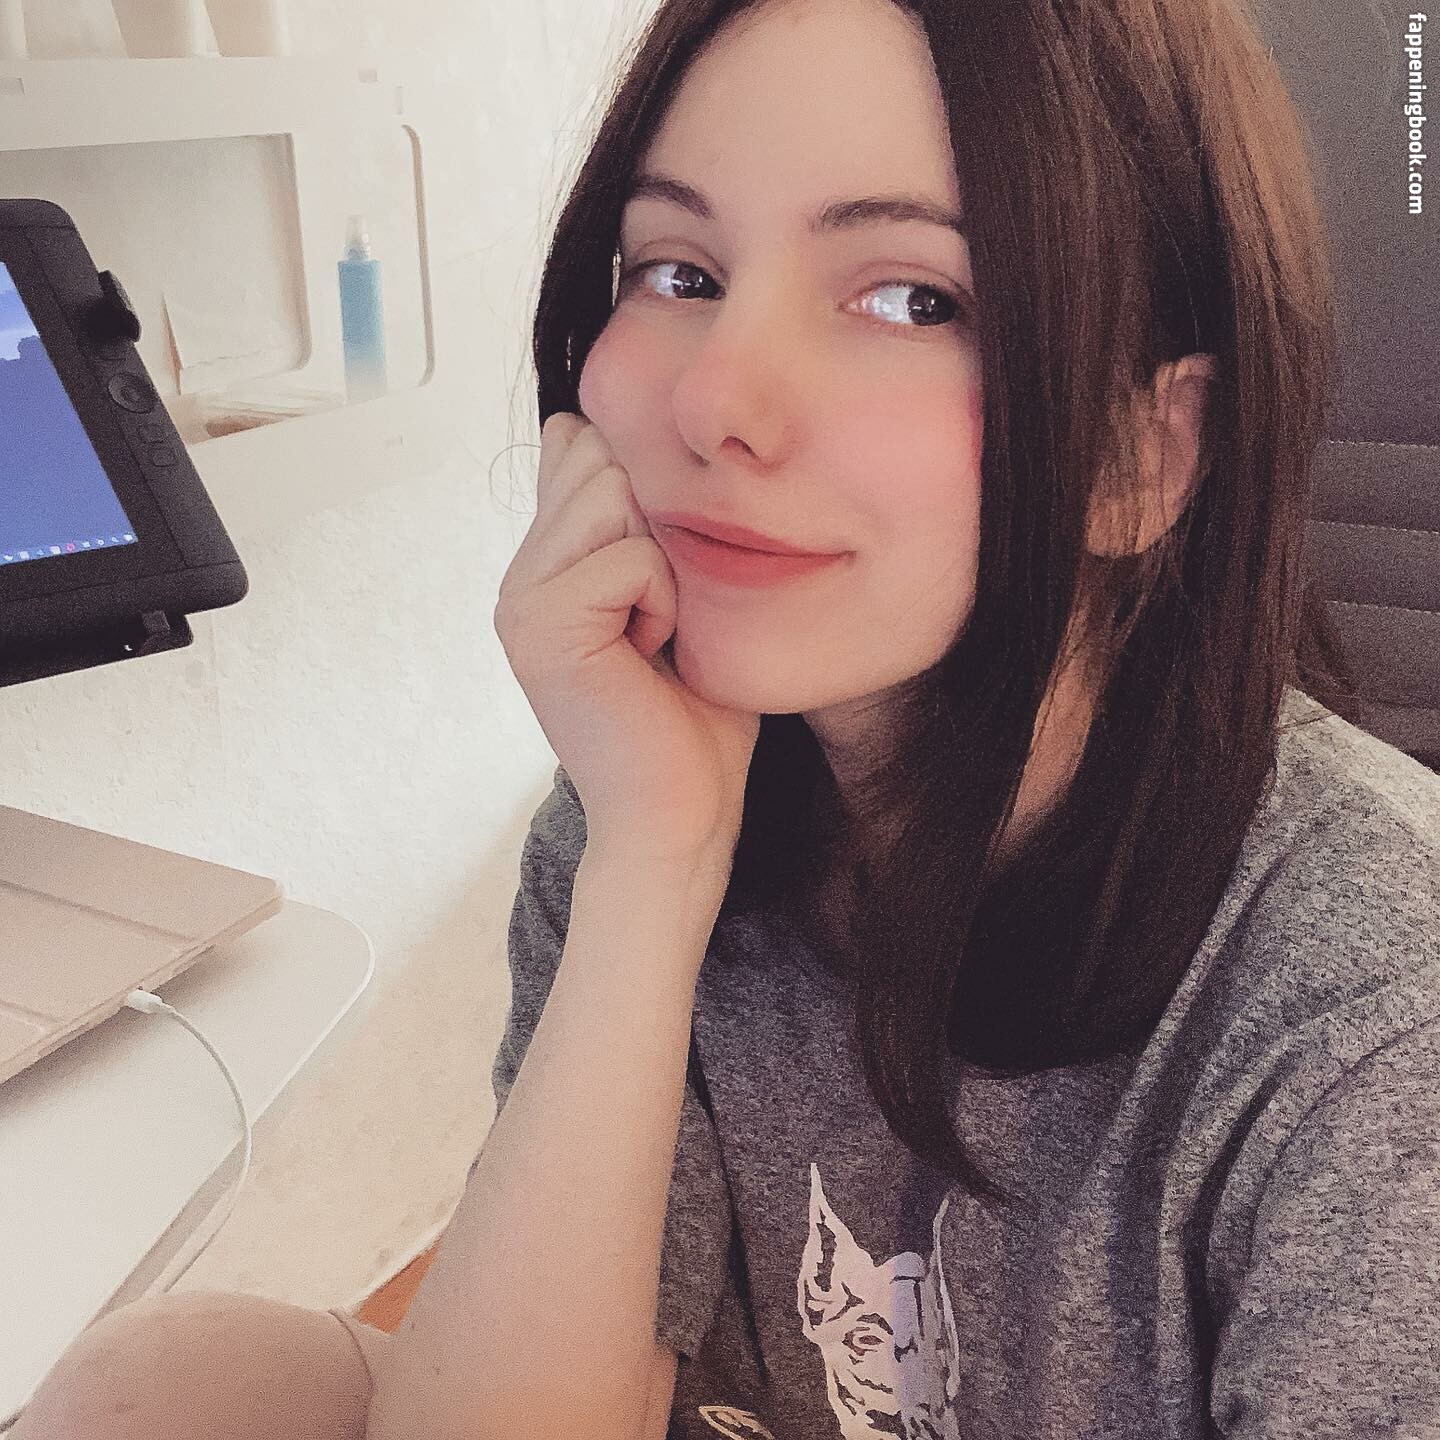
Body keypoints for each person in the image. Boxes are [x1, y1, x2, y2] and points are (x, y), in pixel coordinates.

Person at [13, 0, 1439, 1436]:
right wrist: (655, 861)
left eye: (913, 299)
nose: (713, 401)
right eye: (679, 272)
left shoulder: (1371, 1007)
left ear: (1143, 454)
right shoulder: (640, 809)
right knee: (161, 1384)